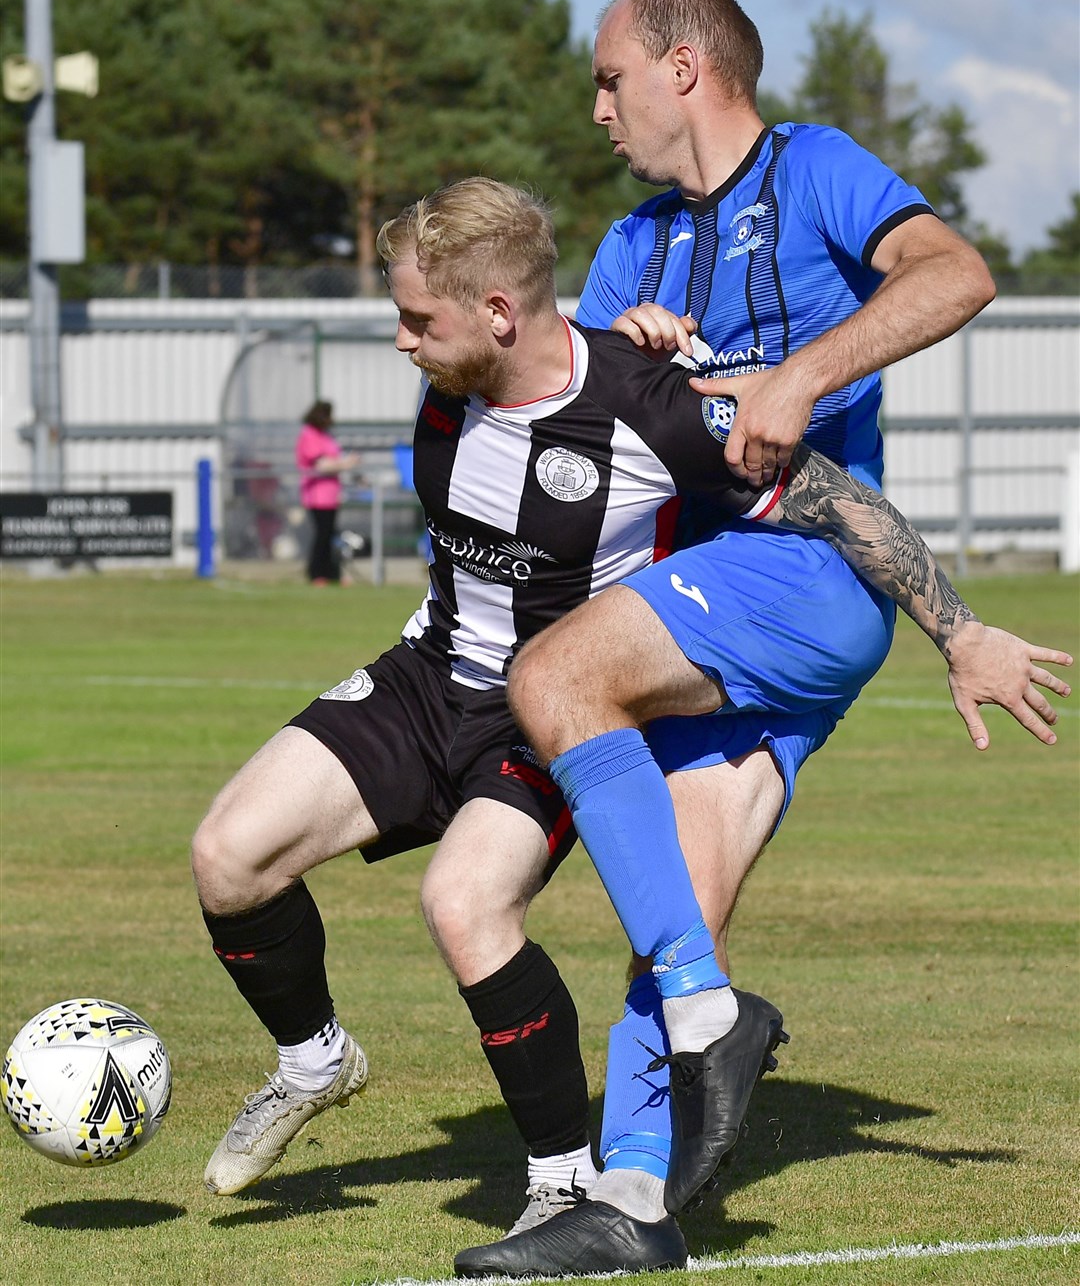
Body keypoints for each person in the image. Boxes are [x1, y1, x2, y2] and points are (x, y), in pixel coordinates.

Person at [189, 182, 1069, 1278]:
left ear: (501, 310)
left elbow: (835, 502)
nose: (401, 338)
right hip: (428, 675)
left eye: (420, 318)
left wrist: (959, 629)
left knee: (463, 906)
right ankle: (314, 1061)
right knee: (228, 858)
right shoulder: (456, 381)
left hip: (544, 716)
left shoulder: (650, 403)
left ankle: (562, 1179)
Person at [450, 0, 1053, 1278]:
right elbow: (568, 425)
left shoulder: (818, 172)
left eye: (610, 76)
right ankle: (633, 1202)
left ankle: (712, 1019)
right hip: (725, 609)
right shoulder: (631, 249)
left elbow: (957, 273)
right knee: (679, 896)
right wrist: (611, 357)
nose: (595, 104)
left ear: (683, 70)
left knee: (557, 676)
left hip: (802, 573)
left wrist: (802, 370)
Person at [295, 400, 360, 585]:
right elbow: (321, 465)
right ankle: (317, 573)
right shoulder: (309, 435)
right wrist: (347, 463)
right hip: (317, 496)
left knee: (330, 535)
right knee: (322, 535)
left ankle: (332, 573)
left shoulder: (325, 436)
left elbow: (333, 460)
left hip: (331, 495)